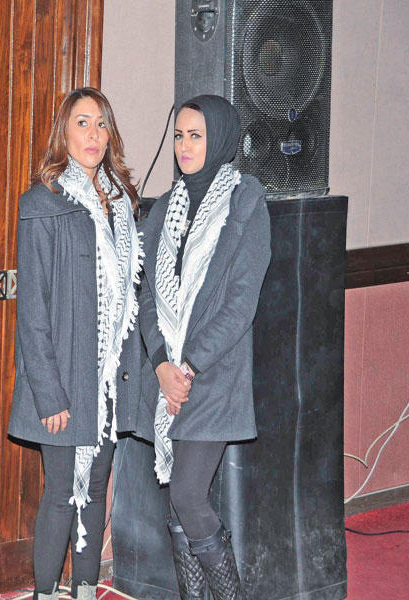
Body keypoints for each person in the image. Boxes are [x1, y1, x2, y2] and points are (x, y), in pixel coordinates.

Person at [8, 88, 143, 600]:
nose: (93, 134)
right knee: (62, 493)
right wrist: (48, 393)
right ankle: (46, 592)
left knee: (96, 491)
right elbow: (33, 310)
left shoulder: (121, 206)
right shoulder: (43, 203)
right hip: (62, 379)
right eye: (82, 123)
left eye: (102, 124)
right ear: (63, 132)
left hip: (108, 379)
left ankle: (85, 590)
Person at [136, 95, 271, 600]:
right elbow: (146, 295)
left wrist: (187, 367)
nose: (184, 146)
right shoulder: (164, 208)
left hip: (212, 377)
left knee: (189, 495)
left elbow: (241, 303)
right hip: (167, 375)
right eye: (179, 135)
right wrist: (161, 365)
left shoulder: (245, 202)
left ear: (220, 140)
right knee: (177, 503)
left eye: (196, 135)